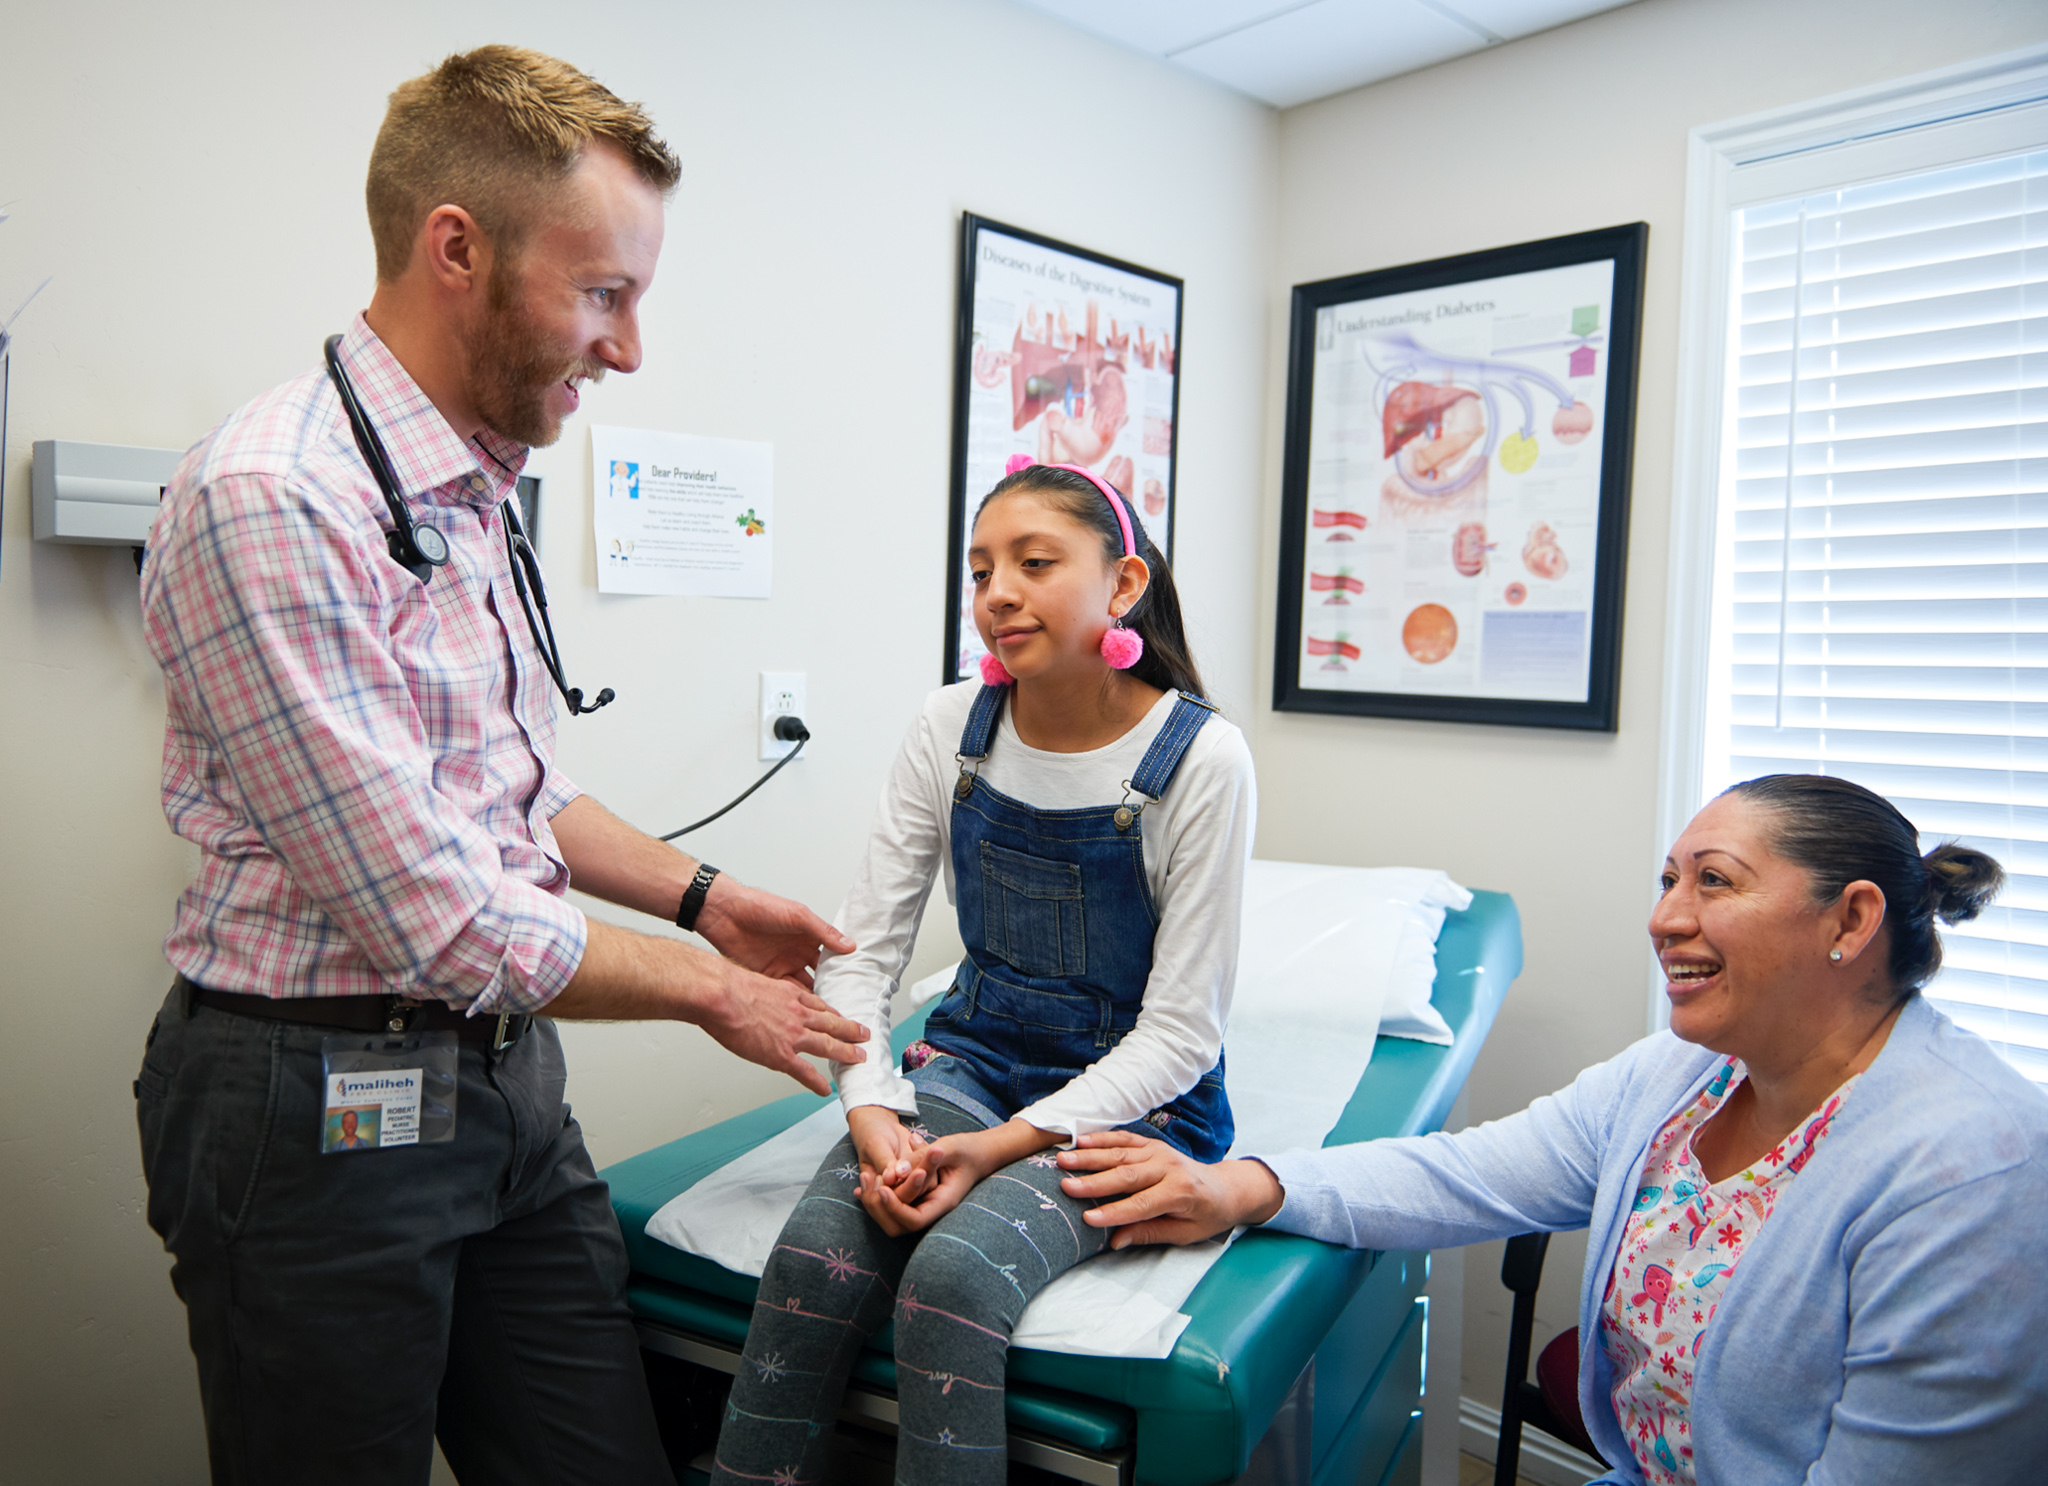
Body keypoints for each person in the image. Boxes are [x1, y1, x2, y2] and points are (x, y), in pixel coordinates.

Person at [133, 46, 869, 1485]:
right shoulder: (272, 496)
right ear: (455, 248)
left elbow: (514, 795)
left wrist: (705, 898)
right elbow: (438, 911)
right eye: (605, 293)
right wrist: (721, 994)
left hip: (505, 1081)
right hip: (315, 1100)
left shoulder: (473, 484)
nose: (630, 347)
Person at [1057, 775, 2048, 1486]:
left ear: (1850, 919)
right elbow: (1472, 1173)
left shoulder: (1969, 1173)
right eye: (1667, 880)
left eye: (1713, 881)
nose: (1665, 916)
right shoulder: (1687, 1077)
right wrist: (1238, 1184)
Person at [709, 459, 1256, 1486]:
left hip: (1134, 1101)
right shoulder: (950, 730)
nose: (995, 591)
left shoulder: (1201, 759)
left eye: (1033, 561)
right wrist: (869, 1108)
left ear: (1122, 584)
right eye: (979, 568)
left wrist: (1003, 1148)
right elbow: (861, 952)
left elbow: (1182, 1034)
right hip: (972, 1057)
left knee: (953, 1278)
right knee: (815, 1265)